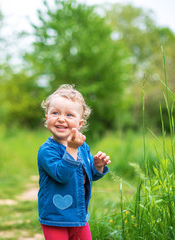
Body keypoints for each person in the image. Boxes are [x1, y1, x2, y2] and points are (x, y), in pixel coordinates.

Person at [37, 84, 111, 240]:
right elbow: (62, 175)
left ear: (80, 123)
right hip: (54, 217)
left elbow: (86, 176)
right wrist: (71, 149)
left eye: (69, 115)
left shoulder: (82, 147)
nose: (61, 119)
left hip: (78, 214)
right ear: (47, 118)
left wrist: (97, 167)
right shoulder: (47, 151)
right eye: (55, 113)